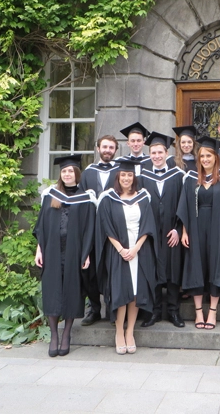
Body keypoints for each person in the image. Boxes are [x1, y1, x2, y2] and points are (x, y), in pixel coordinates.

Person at [33, 155, 95, 357]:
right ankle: (54, 335)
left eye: (71, 171)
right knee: (51, 291)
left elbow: (89, 229)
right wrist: (39, 249)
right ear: (60, 174)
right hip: (52, 251)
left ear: (77, 173)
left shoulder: (85, 197)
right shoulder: (51, 195)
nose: (67, 174)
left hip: (74, 252)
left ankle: (66, 334)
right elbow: (41, 226)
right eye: (64, 171)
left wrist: (86, 253)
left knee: (71, 291)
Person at [95, 157, 157, 354]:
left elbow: (148, 225)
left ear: (134, 177)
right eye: (123, 175)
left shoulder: (143, 197)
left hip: (139, 250)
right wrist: (121, 249)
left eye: (130, 175)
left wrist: (136, 248)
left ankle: (130, 331)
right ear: (118, 176)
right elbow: (106, 226)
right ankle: (119, 332)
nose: (127, 178)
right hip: (118, 251)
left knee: (136, 292)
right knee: (122, 291)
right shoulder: (108, 198)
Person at [178, 136, 220, 330]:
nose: (205, 159)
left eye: (209, 155)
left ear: (215, 157)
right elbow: (185, 205)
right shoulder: (191, 179)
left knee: (215, 265)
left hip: (217, 227)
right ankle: (197, 312)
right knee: (196, 265)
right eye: (202, 156)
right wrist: (185, 231)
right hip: (195, 227)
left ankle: (212, 311)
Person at [140, 132, 186, 328]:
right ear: (149, 154)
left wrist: (178, 229)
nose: (157, 156)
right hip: (150, 233)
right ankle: (155, 311)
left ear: (167, 153)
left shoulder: (177, 175)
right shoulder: (142, 176)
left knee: (173, 269)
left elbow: (183, 205)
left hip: (171, 231)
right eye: (153, 152)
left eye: (160, 152)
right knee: (153, 269)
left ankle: (174, 311)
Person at [77, 134, 120, 326]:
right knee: (90, 269)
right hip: (91, 228)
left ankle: (113, 308)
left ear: (116, 150)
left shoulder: (121, 172)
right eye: (105, 147)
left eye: (111, 147)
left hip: (113, 227)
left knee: (112, 267)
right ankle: (94, 308)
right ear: (98, 148)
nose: (108, 150)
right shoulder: (87, 173)